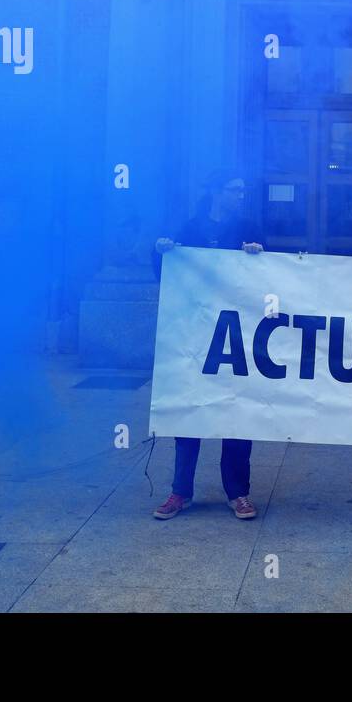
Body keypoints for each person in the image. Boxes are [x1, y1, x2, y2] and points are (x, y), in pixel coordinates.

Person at [151, 169, 264, 521]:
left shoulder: (248, 228)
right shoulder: (190, 228)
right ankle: (180, 492)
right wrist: (161, 252)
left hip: (234, 333)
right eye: (234, 189)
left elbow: (266, 276)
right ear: (216, 191)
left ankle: (238, 493)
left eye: (243, 190)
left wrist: (257, 255)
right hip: (195, 333)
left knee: (235, 410)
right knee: (190, 410)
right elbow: (167, 274)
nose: (240, 195)